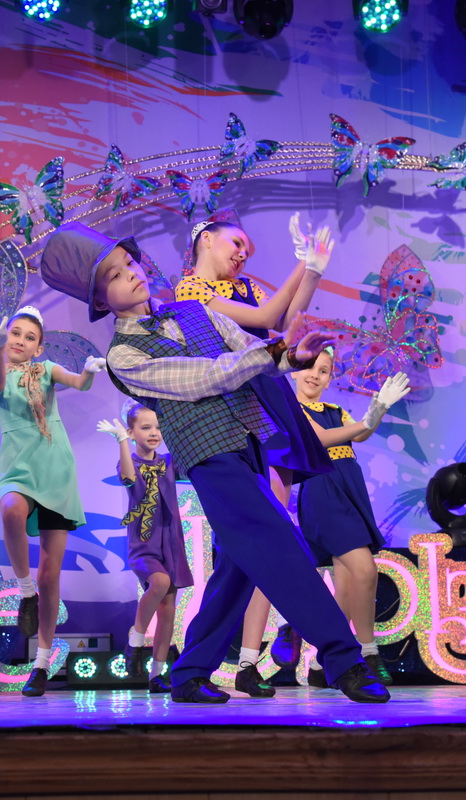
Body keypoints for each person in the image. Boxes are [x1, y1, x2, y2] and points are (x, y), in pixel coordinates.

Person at [39, 221, 390, 704]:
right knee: (278, 539)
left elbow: (249, 351)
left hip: (250, 442)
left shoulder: (193, 310)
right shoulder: (123, 355)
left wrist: (291, 356)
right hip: (209, 456)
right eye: (116, 275)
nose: (133, 273)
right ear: (101, 300)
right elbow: (204, 376)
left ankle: (189, 671)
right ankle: (344, 658)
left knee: (240, 562)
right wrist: (274, 352)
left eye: (130, 263)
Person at [175, 216, 334, 695]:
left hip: (267, 404)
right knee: (255, 541)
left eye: (248, 248)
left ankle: (232, 660)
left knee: (256, 542)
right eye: (237, 242)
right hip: (234, 415)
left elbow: (286, 326)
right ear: (206, 239)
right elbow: (265, 321)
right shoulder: (190, 289)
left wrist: (313, 272)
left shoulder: (243, 287)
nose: (243, 253)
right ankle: (244, 651)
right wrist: (303, 264)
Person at [0, 306, 104, 697]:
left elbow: (79, 384)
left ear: (39, 347)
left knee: (51, 576)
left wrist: (90, 371)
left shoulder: (46, 370)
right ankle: (24, 589)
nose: (20, 340)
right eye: (15, 333)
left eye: (29, 337)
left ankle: (42, 663)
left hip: (56, 472)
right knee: (11, 508)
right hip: (17, 469)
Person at [291, 351, 407, 687]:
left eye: (324, 371)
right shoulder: (292, 410)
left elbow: (358, 436)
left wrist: (378, 409)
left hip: (350, 491)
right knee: (365, 570)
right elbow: (321, 439)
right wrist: (368, 419)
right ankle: (368, 652)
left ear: (330, 379)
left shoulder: (335, 411)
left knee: (345, 588)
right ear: (295, 372)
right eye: (309, 368)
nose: (315, 375)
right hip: (323, 493)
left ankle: (322, 664)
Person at [97, 404, 194, 694]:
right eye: (145, 427)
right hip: (144, 544)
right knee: (159, 582)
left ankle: (156, 675)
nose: (153, 433)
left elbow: (191, 464)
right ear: (131, 432)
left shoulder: (168, 462)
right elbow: (130, 479)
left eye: (157, 427)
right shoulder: (130, 462)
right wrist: (121, 442)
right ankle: (136, 641)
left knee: (168, 609)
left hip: (171, 544)